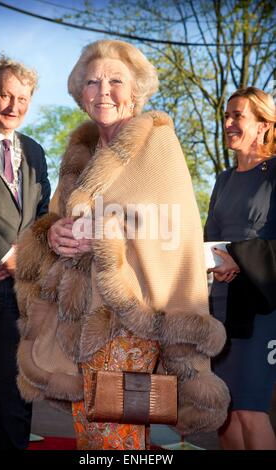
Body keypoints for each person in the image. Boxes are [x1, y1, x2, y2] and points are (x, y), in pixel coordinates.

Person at [15, 39, 229, 451]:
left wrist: (99, 236)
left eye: (116, 80)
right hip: (75, 321)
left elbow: (172, 229)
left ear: (136, 90)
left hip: (129, 320)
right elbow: (61, 220)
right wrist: (54, 234)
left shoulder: (157, 142)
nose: (103, 90)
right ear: (81, 93)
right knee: (93, 433)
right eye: (92, 82)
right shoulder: (80, 152)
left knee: (115, 437)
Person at [0, 55, 50, 450]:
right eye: (5, 95)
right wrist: (2, 253)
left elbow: (44, 215)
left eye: (22, 99)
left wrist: (25, 256)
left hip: (20, 298)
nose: (13, 106)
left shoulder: (35, 152)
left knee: (15, 399)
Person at [205, 86, 276, 450]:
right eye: (227, 115)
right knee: (224, 412)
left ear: (264, 124)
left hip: (262, 307)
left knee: (251, 410)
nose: (229, 123)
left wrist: (240, 257)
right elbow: (210, 239)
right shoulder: (222, 180)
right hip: (220, 305)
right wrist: (215, 261)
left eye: (239, 116)